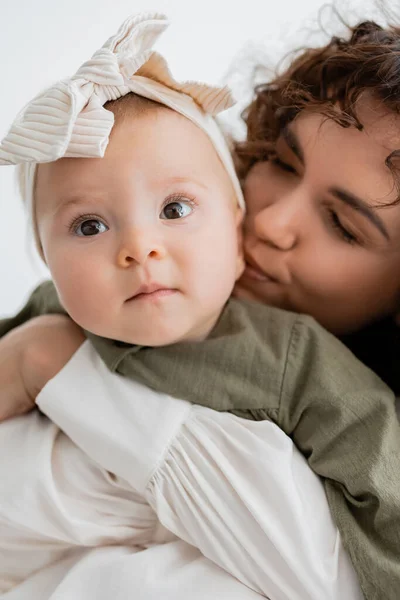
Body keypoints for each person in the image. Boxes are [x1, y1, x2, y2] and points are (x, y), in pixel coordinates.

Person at [0, 11, 399, 600]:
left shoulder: (306, 371)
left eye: (342, 225)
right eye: (281, 164)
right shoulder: (70, 308)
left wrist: (55, 367)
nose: (271, 222)